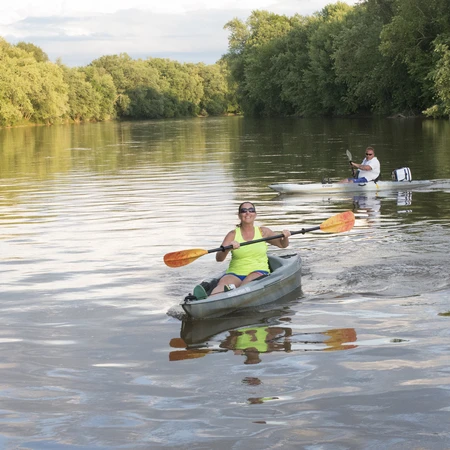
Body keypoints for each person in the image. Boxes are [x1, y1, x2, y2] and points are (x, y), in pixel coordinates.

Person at [193, 202, 291, 299]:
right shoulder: (232, 234)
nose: (247, 213)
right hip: (235, 273)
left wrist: (285, 237)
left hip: (258, 271)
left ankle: (232, 291)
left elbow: (282, 245)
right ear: (239, 215)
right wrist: (228, 249)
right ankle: (207, 300)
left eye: (251, 210)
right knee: (221, 286)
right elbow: (219, 258)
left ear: (255, 214)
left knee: (247, 284)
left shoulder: (263, 232)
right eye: (244, 211)